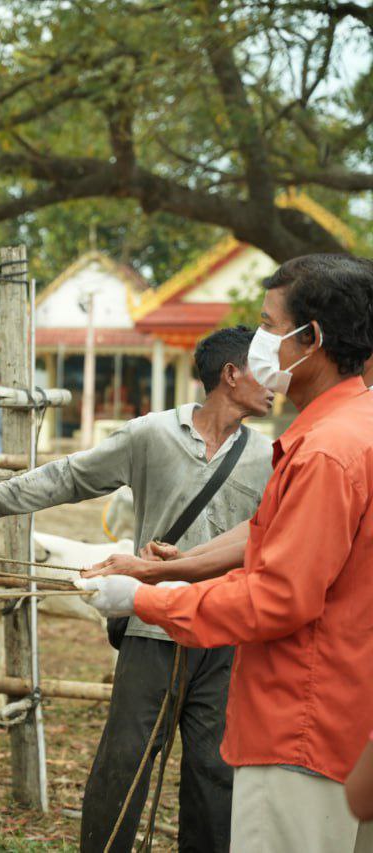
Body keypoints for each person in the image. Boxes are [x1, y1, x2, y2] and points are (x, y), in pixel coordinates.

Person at [75, 255, 373, 853]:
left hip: (299, 723)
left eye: (268, 325)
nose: (260, 342)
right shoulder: (350, 429)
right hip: (344, 715)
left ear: (311, 339)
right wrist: (164, 568)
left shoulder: (323, 453)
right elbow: (271, 534)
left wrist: (146, 599)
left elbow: (278, 596)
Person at [0, 325, 275, 853]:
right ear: (231, 374)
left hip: (224, 636)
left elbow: (270, 538)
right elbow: (72, 475)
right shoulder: (152, 434)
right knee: (125, 762)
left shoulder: (270, 457)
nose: (276, 383)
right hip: (152, 626)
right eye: (264, 370)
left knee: (215, 772)